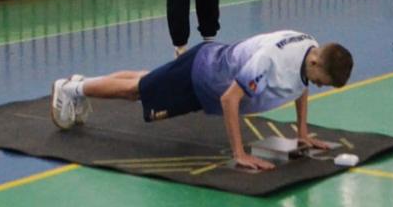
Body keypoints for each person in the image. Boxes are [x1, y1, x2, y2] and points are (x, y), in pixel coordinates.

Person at [49, 30, 354, 171]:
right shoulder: (270, 61)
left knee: (147, 80)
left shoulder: (311, 49)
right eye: (322, 81)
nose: (318, 86)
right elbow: (230, 100)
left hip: (208, 66)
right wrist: (239, 154)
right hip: (199, 78)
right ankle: (70, 89)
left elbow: (301, 84)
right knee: (137, 91)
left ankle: (83, 82)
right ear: (316, 62)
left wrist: (302, 132)